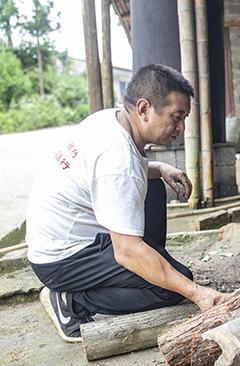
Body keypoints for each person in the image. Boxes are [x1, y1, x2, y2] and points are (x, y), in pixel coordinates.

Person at [25, 64, 224, 342]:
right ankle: (72, 301)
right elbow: (126, 251)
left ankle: (151, 262)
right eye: (176, 117)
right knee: (171, 287)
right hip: (61, 259)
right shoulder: (118, 162)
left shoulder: (110, 119)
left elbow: (125, 170)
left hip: (62, 239)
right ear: (143, 109)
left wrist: (159, 168)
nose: (181, 128)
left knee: (153, 182)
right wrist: (194, 292)